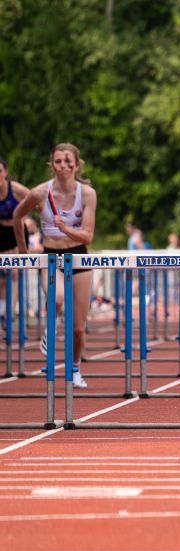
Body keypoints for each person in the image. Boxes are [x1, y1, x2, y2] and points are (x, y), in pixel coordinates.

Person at [13, 143, 97, 389]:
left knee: (79, 329)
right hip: (51, 257)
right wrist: (22, 249)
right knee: (58, 297)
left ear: (76, 165)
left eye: (67, 160)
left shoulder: (88, 194)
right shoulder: (40, 192)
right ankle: (51, 328)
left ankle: (74, 368)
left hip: (79, 256)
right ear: (52, 165)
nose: (63, 165)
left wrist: (66, 228)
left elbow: (88, 236)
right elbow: (18, 215)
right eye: (58, 161)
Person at [0, 158, 30, 322]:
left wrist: (30, 219)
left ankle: (9, 314)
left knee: (15, 272)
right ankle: (2, 310)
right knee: (1, 277)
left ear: (5, 173)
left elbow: (37, 201)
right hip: (1, 233)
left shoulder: (16, 189)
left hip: (16, 232)